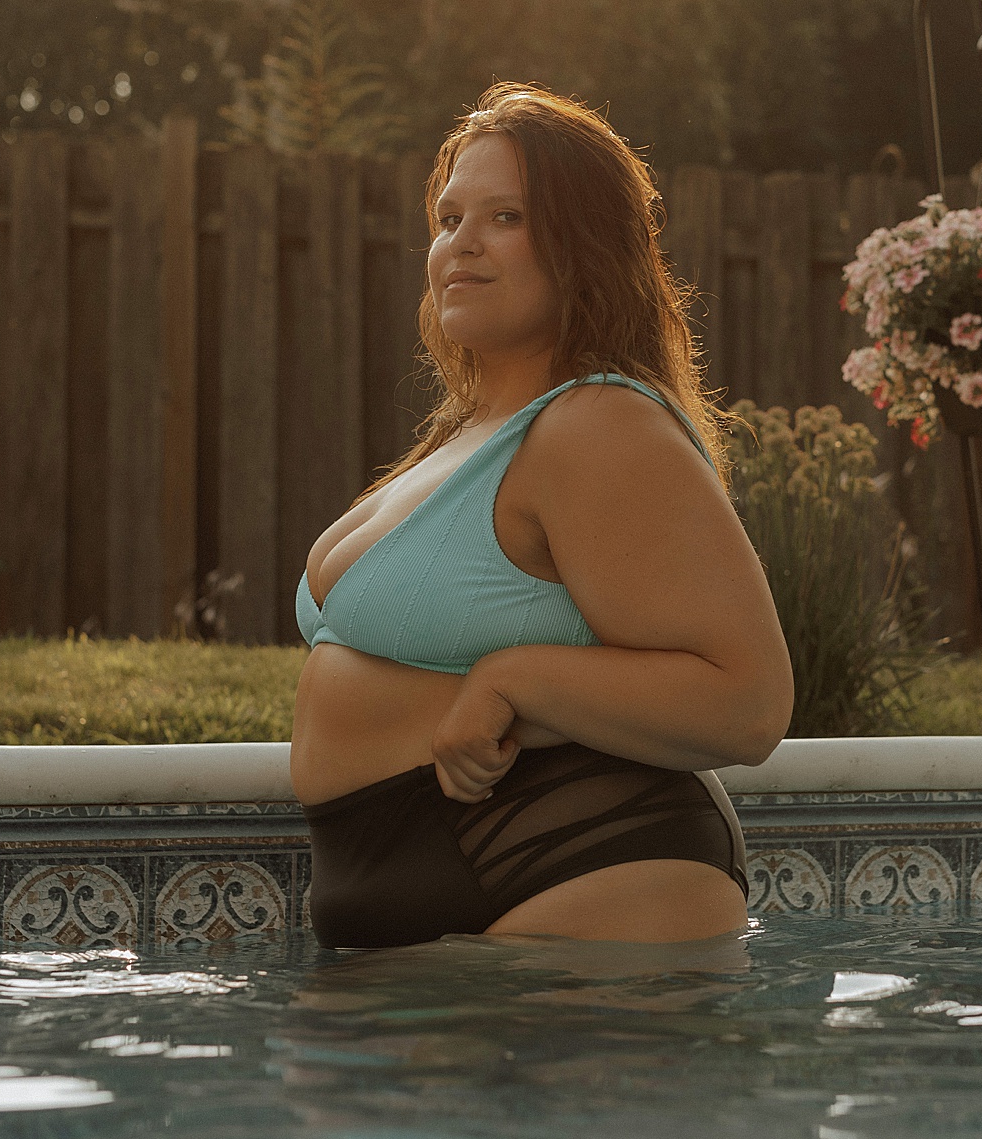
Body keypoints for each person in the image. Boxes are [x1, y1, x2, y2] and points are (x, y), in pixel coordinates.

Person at [291, 84, 793, 948]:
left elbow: (747, 703)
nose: (462, 243)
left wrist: (509, 681)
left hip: (585, 865)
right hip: (438, 868)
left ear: (584, 246)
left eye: (507, 216)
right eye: (449, 218)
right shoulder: (473, 434)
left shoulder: (598, 422)